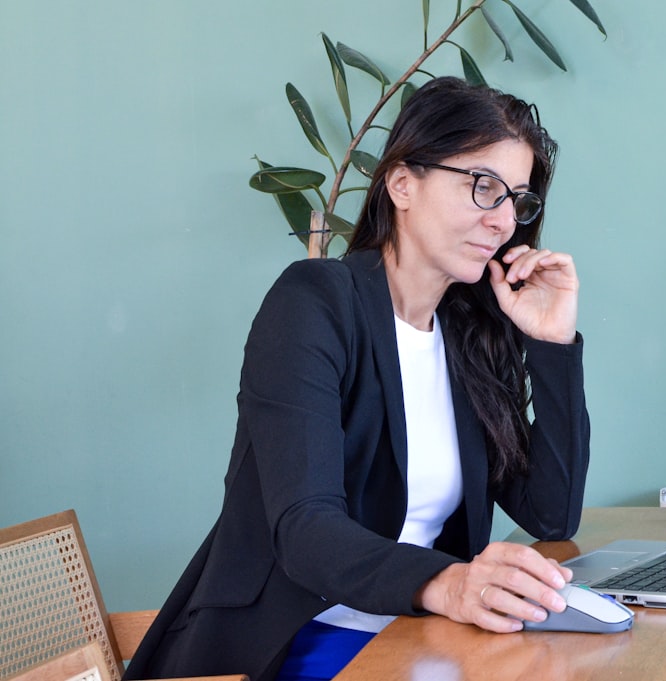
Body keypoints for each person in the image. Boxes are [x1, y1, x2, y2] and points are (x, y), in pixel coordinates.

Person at [124, 76, 590, 681]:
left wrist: (552, 344)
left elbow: (552, 516)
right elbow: (305, 530)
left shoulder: (468, 333)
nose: (504, 221)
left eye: (518, 200)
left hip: (413, 631)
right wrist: (449, 583)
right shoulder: (314, 303)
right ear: (402, 183)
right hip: (289, 639)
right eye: (483, 187)